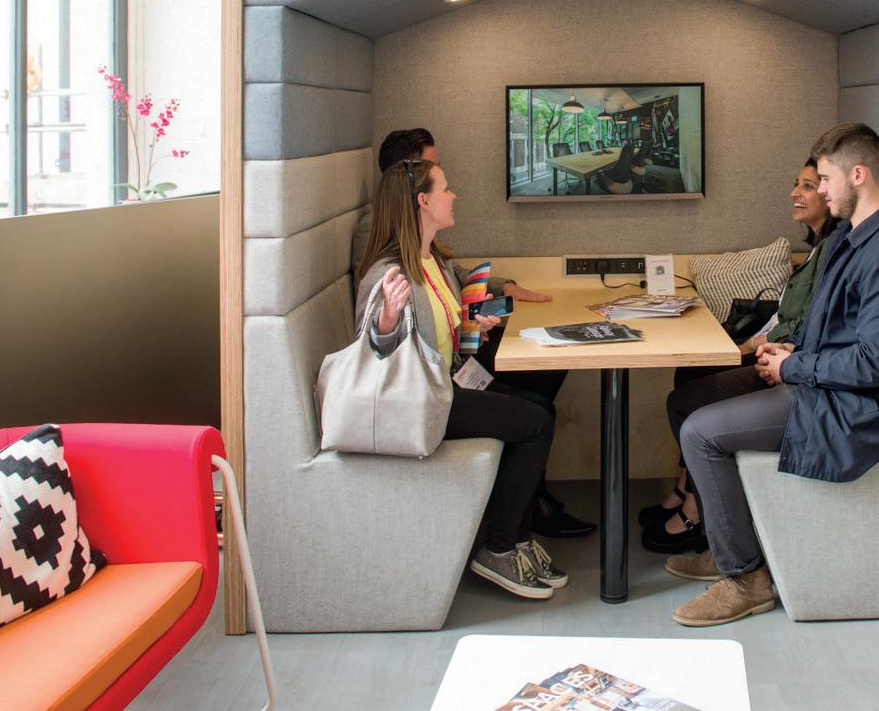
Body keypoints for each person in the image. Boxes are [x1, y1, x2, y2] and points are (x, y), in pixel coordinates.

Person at [667, 123, 879, 627]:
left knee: (699, 433)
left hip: (845, 405)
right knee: (688, 404)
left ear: (858, 174)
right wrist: (793, 349)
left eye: (824, 179)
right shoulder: (848, 239)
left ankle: (745, 579)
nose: (820, 190)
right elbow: (837, 330)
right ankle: (728, 544)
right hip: (818, 382)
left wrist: (794, 366)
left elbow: (871, 361)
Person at [353, 128, 595, 539]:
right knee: (536, 417)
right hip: (424, 396)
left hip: (450, 376)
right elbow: (377, 345)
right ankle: (504, 543)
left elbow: (445, 314)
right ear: (420, 197)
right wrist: (387, 321)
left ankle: (519, 517)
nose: (454, 194)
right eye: (444, 184)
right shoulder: (388, 267)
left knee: (538, 403)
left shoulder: (431, 257)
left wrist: (475, 326)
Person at [640, 159, 836, 554]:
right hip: (778, 351)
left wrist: (760, 350)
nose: (796, 193)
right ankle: (687, 487)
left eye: (809, 185)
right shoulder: (817, 249)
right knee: (687, 376)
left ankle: (697, 509)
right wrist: (751, 345)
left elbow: (807, 325)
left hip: (790, 366)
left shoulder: (836, 252)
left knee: (686, 399)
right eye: (796, 183)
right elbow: (787, 316)